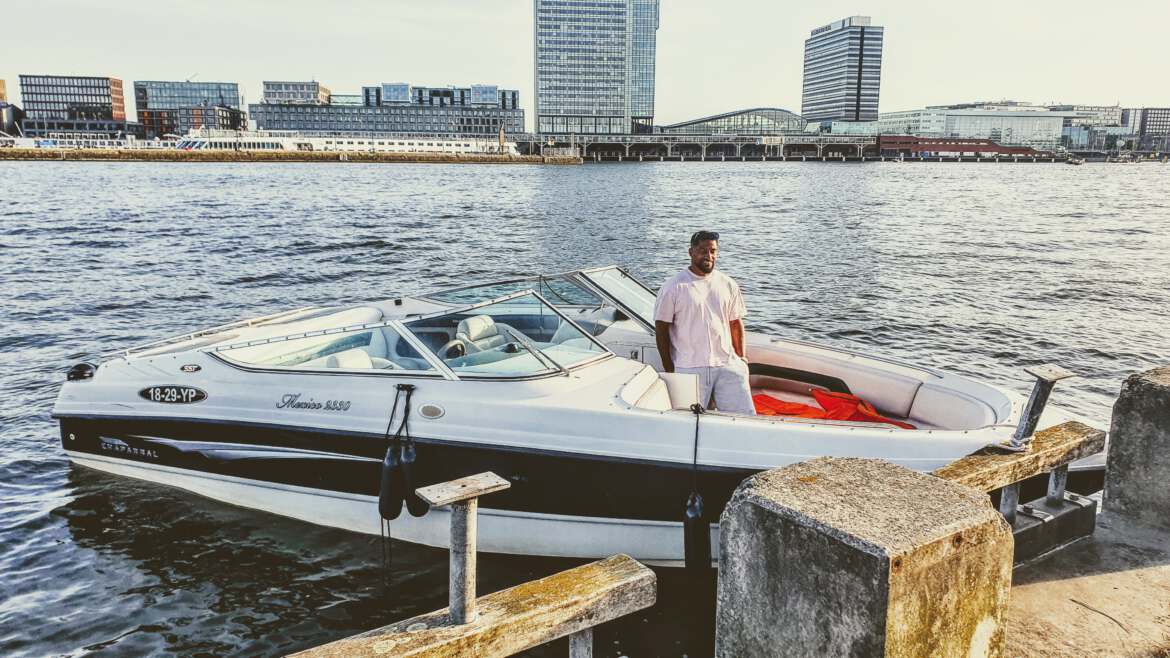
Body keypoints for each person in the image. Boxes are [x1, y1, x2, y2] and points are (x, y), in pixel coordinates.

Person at [653, 230, 755, 415]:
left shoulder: (728, 284)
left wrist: (741, 358)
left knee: (745, 418)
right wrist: (670, 369)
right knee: (689, 422)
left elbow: (735, 323)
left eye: (713, 251)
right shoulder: (674, 287)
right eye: (702, 250)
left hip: (728, 365)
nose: (708, 256)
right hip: (690, 368)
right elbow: (661, 330)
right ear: (691, 252)